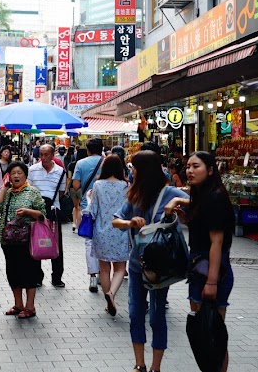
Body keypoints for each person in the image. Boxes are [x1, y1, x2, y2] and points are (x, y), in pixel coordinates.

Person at [112, 151, 186, 372]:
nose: (131, 171)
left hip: (160, 266)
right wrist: (129, 223)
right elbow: (116, 220)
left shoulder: (169, 191)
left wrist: (177, 201)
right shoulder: (134, 194)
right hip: (137, 264)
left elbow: (198, 201)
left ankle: (156, 366)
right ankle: (139, 364)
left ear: (145, 170)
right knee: (135, 313)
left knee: (156, 315)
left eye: (134, 168)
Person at [165, 151, 235, 372]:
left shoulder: (214, 197)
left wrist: (212, 282)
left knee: (213, 334)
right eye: (188, 167)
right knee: (207, 334)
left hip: (211, 271)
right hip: (202, 270)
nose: (190, 171)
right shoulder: (205, 195)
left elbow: (217, 242)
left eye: (196, 166)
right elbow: (201, 219)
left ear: (211, 170)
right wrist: (187, 216)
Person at [0, 161, 46, 319]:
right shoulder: (8, 192)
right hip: (8, 240)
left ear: (25, 175)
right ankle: (18, 304)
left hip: (28, 240)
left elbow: (43, 215)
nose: (16, 176)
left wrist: (28, 211)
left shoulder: (32, 192)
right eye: (13, 173)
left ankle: (30, 307)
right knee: (13, 272)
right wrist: (3, 188)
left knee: (29, 273)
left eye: (19, 173)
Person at [88, 155, 130, 316]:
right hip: (120, 229)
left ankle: (108, 300)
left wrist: (89, 198)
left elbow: (93, 211)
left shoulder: (98, 185)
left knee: (104, 269)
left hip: (102, 230)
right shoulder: (126, 185)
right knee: (120, 268)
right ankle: (111, 294)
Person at [28, 144, 67, 287]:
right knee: (35, 241)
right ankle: (37, 276)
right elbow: (29, 190)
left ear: (53, 155)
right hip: (36, 211)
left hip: (54, 210)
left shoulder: (60, 172)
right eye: (41, 154)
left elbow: (62, 192)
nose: (43, 158)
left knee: (56, 243)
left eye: (46, 154)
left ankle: (57, 276)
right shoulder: (32, 170)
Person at [72, 138, 104, 292]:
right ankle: (104, 275)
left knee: (89, 241)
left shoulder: (81, 163)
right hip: (106, 207)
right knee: (103, 239)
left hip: (87, 205)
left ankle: (93, 276)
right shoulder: (109, 162)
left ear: (88, 150)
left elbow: (76, 185)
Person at [69, 147, 88, 232]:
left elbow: (69, 178)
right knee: (80, 207)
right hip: (81, 188)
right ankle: (78, 225)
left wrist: (66, 189)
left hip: (72, 188)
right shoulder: (85, 164)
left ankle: (73, 223)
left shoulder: (71, 165)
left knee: (75, 207)